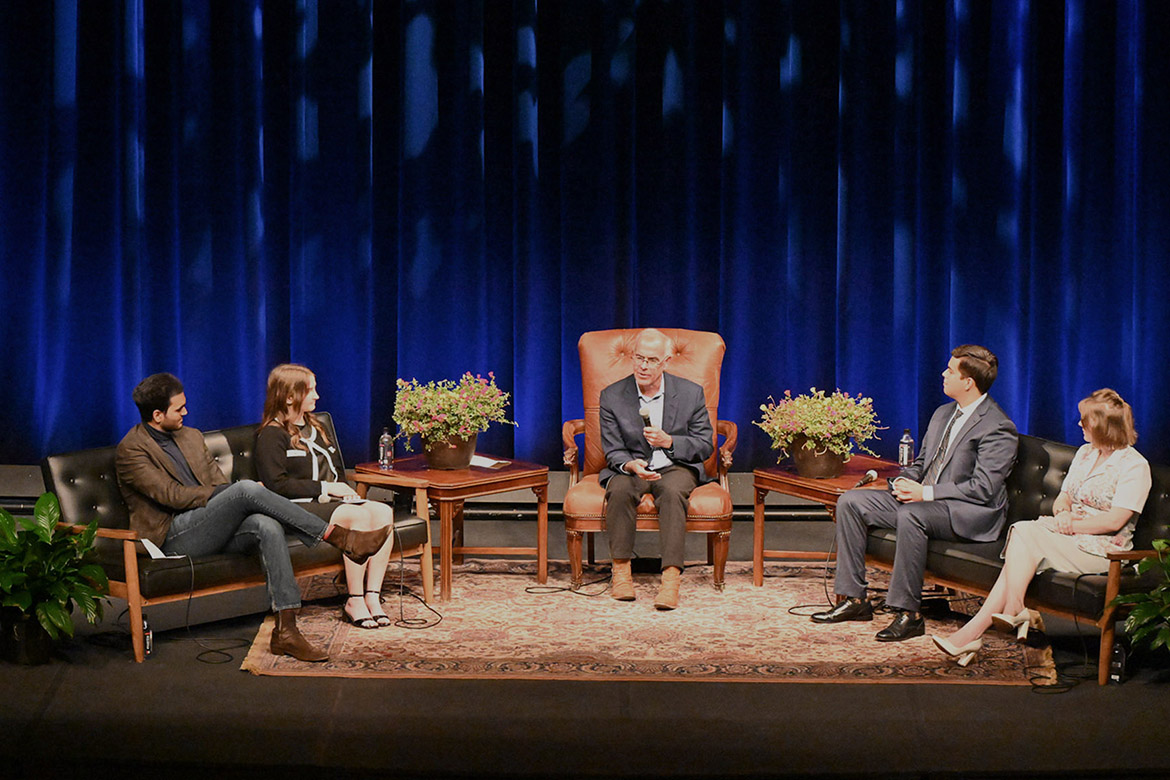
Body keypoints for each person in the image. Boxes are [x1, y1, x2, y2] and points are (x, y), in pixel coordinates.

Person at [115, 373, 391, 662]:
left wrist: (227, 496)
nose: (186, 412)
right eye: (178, 409)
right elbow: (172, 496)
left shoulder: (191, 436)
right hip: (172, 536)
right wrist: (230, 495)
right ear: (157, 415)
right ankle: (337, 536)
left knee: (266, 524)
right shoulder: (131, 449)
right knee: (245, 489)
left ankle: (287, 630)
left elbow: (216, 483)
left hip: (209, 524)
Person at [811, 345, 1018, 641]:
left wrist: (926, 493)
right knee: (850, 502)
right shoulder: (943, 413)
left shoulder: (998, 427)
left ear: (968, 382)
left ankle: (908, 613)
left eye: (950, 370)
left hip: (967, 512)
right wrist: (904, 483)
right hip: (927, 500)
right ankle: (854, 599)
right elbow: (922, 463)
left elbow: (983, 489)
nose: (943, 374)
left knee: (913, 513)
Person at [932, 389, 1151, 665]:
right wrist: (1061, 512)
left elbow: (1115, 521)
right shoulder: (1085, 453)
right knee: (1023, 536)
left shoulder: (1134, 466)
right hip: (1068, 534)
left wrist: (1073, 525)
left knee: (1024, 533)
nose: (1079, 425)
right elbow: (1064, 496)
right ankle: (1000, 617)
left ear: (1102, 426)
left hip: (1104, 550)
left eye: (1085, 421)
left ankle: (986, 626)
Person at [253, 364, 397, 630]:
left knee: (383, 513)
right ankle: (354, 600)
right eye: (309, 390)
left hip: (330, 501)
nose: (316, 396)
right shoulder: (271, 434)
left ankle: (372, 596)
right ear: (288, 396)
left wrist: (343, 490)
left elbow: (336, 471)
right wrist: (326, 489)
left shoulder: (316, 426)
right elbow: (276, 485)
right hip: (295, 507)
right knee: (358, 516)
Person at [599, 328, 714, 610]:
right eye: (639, 358)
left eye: (651, 360)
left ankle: (671, 579)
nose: (643, 366)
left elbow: (704, 445)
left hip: (675, 467)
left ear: (666, 362)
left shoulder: (690, 393)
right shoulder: (612, 396)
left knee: (673, 492)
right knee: (620, 488)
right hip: (634, 467)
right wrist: (629, 464)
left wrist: (670, 441)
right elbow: (612, 448)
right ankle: (621, 572)